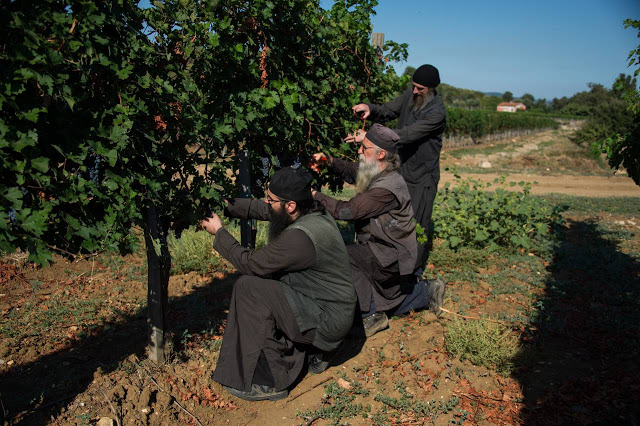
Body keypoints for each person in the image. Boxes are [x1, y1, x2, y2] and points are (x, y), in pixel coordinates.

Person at [201, 167, 356, 401]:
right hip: (332, 308)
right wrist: (225, 204)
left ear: (290, 205)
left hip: (328, 320)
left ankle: (270, 381)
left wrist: (219, 232)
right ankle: (315, 351)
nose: (267, 202)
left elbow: (251, 264)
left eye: (271, 199)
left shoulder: (299, 238)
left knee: (249, 287)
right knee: (266, 283)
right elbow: (263, 209)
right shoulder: (312, 211)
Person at [310, 124, 445, 338]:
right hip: (383, 250)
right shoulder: (380, 170)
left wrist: (314, 196)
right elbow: (352, 170)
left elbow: (347, 211)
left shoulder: (387, 188)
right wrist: (330, 161)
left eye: (364, 148)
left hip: (390, 257)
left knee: (341, 255)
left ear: (381, 154)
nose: (359, 152)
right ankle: (425, 292)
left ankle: (371, 314)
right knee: (376, 291)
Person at [349, 64, 446, 277]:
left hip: (421, 177)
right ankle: (391, 267)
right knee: (392, 219)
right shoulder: (409, 97)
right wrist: (370, 108)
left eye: (420, 88)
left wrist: (370, 139)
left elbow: (408, 134)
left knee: (416, 224)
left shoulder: (436, 113)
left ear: (430, 89)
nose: (414, 91)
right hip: (401, 170)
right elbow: (387, 110)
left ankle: (413, 275)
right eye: (413, 86)